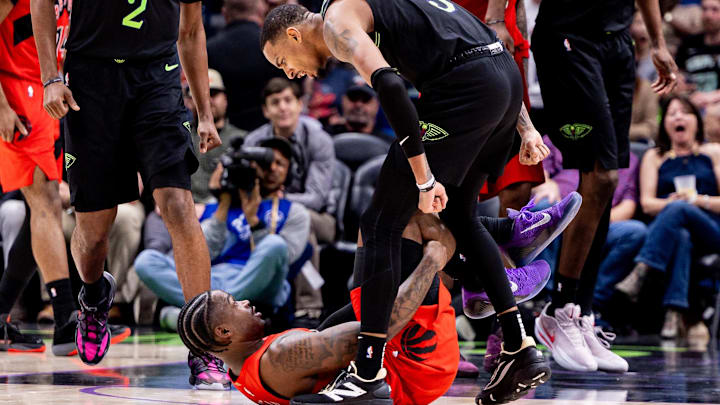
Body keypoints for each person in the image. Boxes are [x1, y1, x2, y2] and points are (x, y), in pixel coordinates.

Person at [257, 1, 582, 403]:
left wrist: (424, 177)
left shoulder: (337, 22)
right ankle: (519, 345)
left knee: (380, 225)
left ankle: (367, 373)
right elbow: (483, 42)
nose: (289, 72)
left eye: (281, 60)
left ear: (293, 34)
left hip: (465, 90)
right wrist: (526, 127)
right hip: (502, 80)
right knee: (461, 214)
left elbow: (390, 86)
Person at [32, 0, 222, 384]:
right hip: (91, 76)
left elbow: (190, 30)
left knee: (178, 205)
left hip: (158, 76)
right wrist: (50, 77)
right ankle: (93, 292)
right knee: (94, 229)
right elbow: (41, 3)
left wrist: (204, 111)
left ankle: (202, 347)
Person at [178, 210, 551, 405]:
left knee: (377, 222)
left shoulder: (247, 375)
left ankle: (482, 274)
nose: (244, 302)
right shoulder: (281, 354)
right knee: (404, 216)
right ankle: (500, 258)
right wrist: (432, 262)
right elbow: (379, 326)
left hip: (403, 362)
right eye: (233, 304)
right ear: (222, 333)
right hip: (417, 365)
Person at [531, 0, 678, 373]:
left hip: (617, 43)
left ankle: (582, 312)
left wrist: (658, 41)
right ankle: (558, 309)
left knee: (606, 183)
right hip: (569, 37)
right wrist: (499, 17)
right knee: (601, 175)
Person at [0, 0, 81, 355]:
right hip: (16, 89)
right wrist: (0, 105)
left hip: (48, 89)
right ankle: (65, 319)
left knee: (42, 210)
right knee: (45, 200)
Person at [615, 96, 720, 346]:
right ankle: (675, 312)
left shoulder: (713, 151)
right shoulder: (655, 156)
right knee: (680, 232)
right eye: (672, 114)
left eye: (685, 113)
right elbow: (648, 203)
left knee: (680, 209)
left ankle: (642, 269)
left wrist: (696, 200)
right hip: (670, 233)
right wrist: (676, 204)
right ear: (665, 124)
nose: (678, 118)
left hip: (710, 228)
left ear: (697, 120)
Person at [245, 78, 334, 326]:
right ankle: (254, 299)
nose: (282, 108)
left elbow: (316, 198)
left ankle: (309, 308)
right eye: (275, 103)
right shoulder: (253, 142)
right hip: (266, 211)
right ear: (265, 110)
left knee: (299, 219)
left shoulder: (318, 140)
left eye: (288, 101)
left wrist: (281, 200)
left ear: (299, 105)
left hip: (321, 218)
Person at [454, 0, 546, 214]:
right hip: (446, 33)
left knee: (517, 184)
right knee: (449, 187)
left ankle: (506, 242)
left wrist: (496, 19)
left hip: (499, 26)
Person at [207, 0, 284, 131]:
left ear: (225, 13)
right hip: (271, 131)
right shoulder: (274, 45)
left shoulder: (208, 50)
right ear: (261, 11)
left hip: (224, 136)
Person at [190, 69, 248, 204]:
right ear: (189, 101)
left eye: (213, 94)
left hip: (225, 206)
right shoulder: (179, 138)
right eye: (200, 95)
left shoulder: (243, 139)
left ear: (225, 100)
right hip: (185, 206)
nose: (207, 100)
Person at [675, 0, 720, 109]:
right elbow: (678, 72)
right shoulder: (689, 43)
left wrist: (713, 96)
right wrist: (678, 81)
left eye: (715, 10)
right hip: (692, 101)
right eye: (704, 9)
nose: (708, 15)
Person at [325, 82, 392, 142]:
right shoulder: (325, 137)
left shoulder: (388, 144)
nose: (358, 105)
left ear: (376, 106)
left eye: (366, 100)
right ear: (343, 101)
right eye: (353, 98)